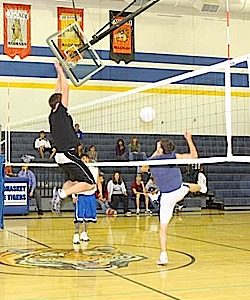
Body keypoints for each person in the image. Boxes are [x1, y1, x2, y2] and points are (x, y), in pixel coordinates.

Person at [141, 131, 207, 265]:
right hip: (177, 192)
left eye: (158, 146)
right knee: (187, 186)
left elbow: (143, 168)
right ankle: (201, 187)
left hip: (167, 197)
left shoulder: (153, 161)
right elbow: (194, 156)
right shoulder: (173, 156)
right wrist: (189, 139)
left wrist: (155, 153)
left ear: (160, 149)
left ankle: (163, 255)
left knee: (163, 228)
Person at [48, 61, 96, 213]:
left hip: (60, 156)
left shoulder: (52, 115)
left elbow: (58, 90)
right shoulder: (61, 111)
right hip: (68, 154)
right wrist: (60, 69)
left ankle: (61, 194)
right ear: (59, 101)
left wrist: (58, 75)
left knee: (73, 180)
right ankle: (61, 194)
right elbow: (65, 88)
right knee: (90, 183)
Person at [72, 153, 102, 244]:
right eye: (83, 158)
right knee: (79, 217)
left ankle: (84, 233)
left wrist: (100, 192)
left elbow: (98, 182)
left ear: (89, 160)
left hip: (91, 195)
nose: (85, 160)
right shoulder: (78, 170)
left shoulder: (95, 169)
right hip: (81, 195)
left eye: (86, 158)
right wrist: (73, 195)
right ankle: (76, 234)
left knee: (88, 217)